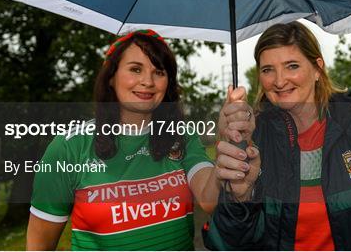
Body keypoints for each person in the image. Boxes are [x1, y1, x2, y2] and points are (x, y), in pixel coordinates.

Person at [206, 21, 351, 250]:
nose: (279, 80)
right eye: (268, 70)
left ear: (317, 69)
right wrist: (240, 198)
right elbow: (224, 243)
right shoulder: (253, 138)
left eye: (292, 66)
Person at [27, 29, 221, 251]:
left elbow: (211, 201)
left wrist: (229, 145)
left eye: (159, 72)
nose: (147, 81)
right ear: (111, 77)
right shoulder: (68, 147)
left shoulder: (182, 136)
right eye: (135, 69)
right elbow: (39, 246)